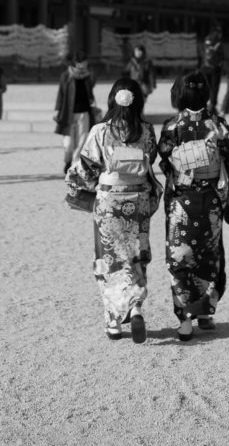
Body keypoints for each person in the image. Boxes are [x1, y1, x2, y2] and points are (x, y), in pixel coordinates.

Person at [65, 76, 160, 343]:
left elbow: (85, 169)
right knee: (136, 255)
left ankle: (114, 321)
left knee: (109, 258)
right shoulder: (147, 131)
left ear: (112, 100)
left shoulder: (100, 131)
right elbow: (151, 159)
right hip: (138, 201)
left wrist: (74, 185)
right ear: (138, 102)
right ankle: (136, 306)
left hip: (109, 202)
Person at [158, 69, 229, 341]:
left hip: (182, 203)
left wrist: (179, 167)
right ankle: (206, 313)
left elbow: (163, 159)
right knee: (208, 256)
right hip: (210, 203)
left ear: (178, 95)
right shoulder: (217, 125)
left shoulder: (172, 126)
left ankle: (185, 320)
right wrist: (223, 177)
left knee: (180, 258)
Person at [53, 50, 96, 174]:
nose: (84, 64)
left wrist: (89, 72)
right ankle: (68, 160)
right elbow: (60, 94)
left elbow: (92, 86)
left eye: (85, 62)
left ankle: (75, 164)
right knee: (69, 143)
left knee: (82, 140)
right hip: (68, 112)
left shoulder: (88, 75)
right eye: (82, 62)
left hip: (84, 112)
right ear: (76, 63)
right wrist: (57, 110)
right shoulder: (66, 75)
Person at [201, 29, 224, 112]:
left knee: (206, 87)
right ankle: (212, 105)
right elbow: (221, 55)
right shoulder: (218, 41)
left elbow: (202, 52)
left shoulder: (206, 39)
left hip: (205, 67)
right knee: (214, 87)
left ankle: (204, 104)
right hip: (214, 68)